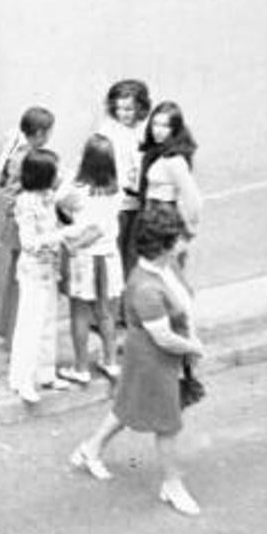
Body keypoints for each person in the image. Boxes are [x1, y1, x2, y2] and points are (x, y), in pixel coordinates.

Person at [70, 205, 206, 516]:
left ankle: (91, 449)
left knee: (128, 405)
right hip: (153, 360)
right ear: (164, 245)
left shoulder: (166, 268)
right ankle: (172, 485)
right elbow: (163, 337)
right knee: (168, 424)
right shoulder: (146, 287)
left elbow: (182, 308)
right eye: (178, 238)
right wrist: (194, 347)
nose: (184, 242)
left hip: (162, 356)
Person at [57, 134, 125, 386]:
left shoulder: (77, 191)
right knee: (106, 313)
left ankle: (81, 367)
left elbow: (60, 201)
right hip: (108, 258)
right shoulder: (116, 192)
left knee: (79, 314)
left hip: (83, 259)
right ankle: (110, 361)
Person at [7, 148, 70, 403]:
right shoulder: (26, 202)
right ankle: (23, 379)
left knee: (48, 320)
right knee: (30, 325)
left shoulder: (49, 197)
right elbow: (29, 242)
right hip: (34, 269)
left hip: (50, 267)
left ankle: (45, 372)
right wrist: (61, 236)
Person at [0, 106, 56, 345]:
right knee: (22, 281)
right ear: (40, 133)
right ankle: (16, 336)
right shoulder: (27, 157)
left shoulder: (18, 150)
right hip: (24, 223)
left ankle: (11, 333)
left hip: (17, 221)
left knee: (17, 278)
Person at [97, 79, 151, 283]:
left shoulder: (145, 130)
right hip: (117, 202)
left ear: (140, 107)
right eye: (119, 109)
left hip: (140, 201)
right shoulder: (107, 131)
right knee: (115, 254)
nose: (123, 114)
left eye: (129, 109)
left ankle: (131, 305)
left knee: (134, 253)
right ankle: (116, 306)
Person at [138, 101, 202, 265]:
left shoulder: (175, 160)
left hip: (164, 220)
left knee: (165, 271)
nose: (158, 130)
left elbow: (193, 199)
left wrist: (189, 233)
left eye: (165, 126)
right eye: (155, 124)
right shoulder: (157, 153)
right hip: (151, 217)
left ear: (174, 129)